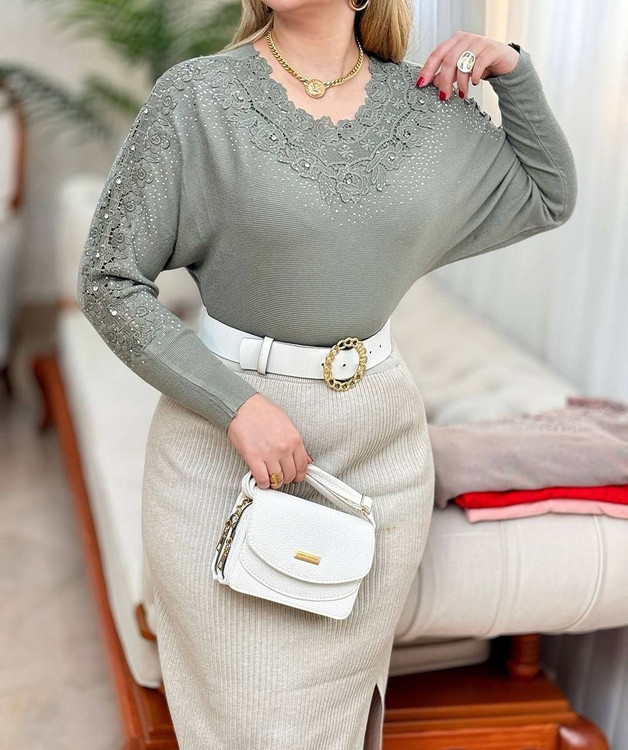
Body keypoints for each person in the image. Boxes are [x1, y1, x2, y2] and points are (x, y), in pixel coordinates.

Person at [75, 0, 577, 747]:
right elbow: (107, 280)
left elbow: (548, 194)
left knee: (334, 729)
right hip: (220, 454)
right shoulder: (197, 97)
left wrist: (513, 72)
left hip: (379, 459)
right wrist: (238, 406)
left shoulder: (428, 109)